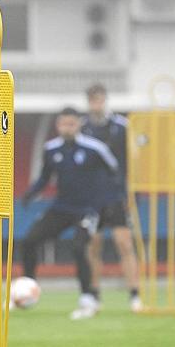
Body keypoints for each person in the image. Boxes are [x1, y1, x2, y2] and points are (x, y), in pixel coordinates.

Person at [21, 107, 118, 320]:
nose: (67, 128)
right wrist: (30, 194)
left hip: (88, 210)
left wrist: (108, 203)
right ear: (58, 125)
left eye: (71, 124)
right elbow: (45, 178)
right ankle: (27, 289)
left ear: (79, 124)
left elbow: (115, 171)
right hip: (61, 208)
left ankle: (88, 298)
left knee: (78, 247)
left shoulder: (95, 149)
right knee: (29, 241)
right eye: (63, 124)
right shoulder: (51, 149)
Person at [81, 83, 142, 312]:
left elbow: (134, 161)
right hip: (92, 198)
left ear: (105, 100)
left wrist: (133, 192)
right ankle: (95, 296)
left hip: (116, 196)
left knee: (124, 244)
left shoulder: (122, 126)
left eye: (99, 99)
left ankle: (135, 295)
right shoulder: (83, 128)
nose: (96, 103)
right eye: (92, 99)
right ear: (88, 102)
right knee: (94, 247)